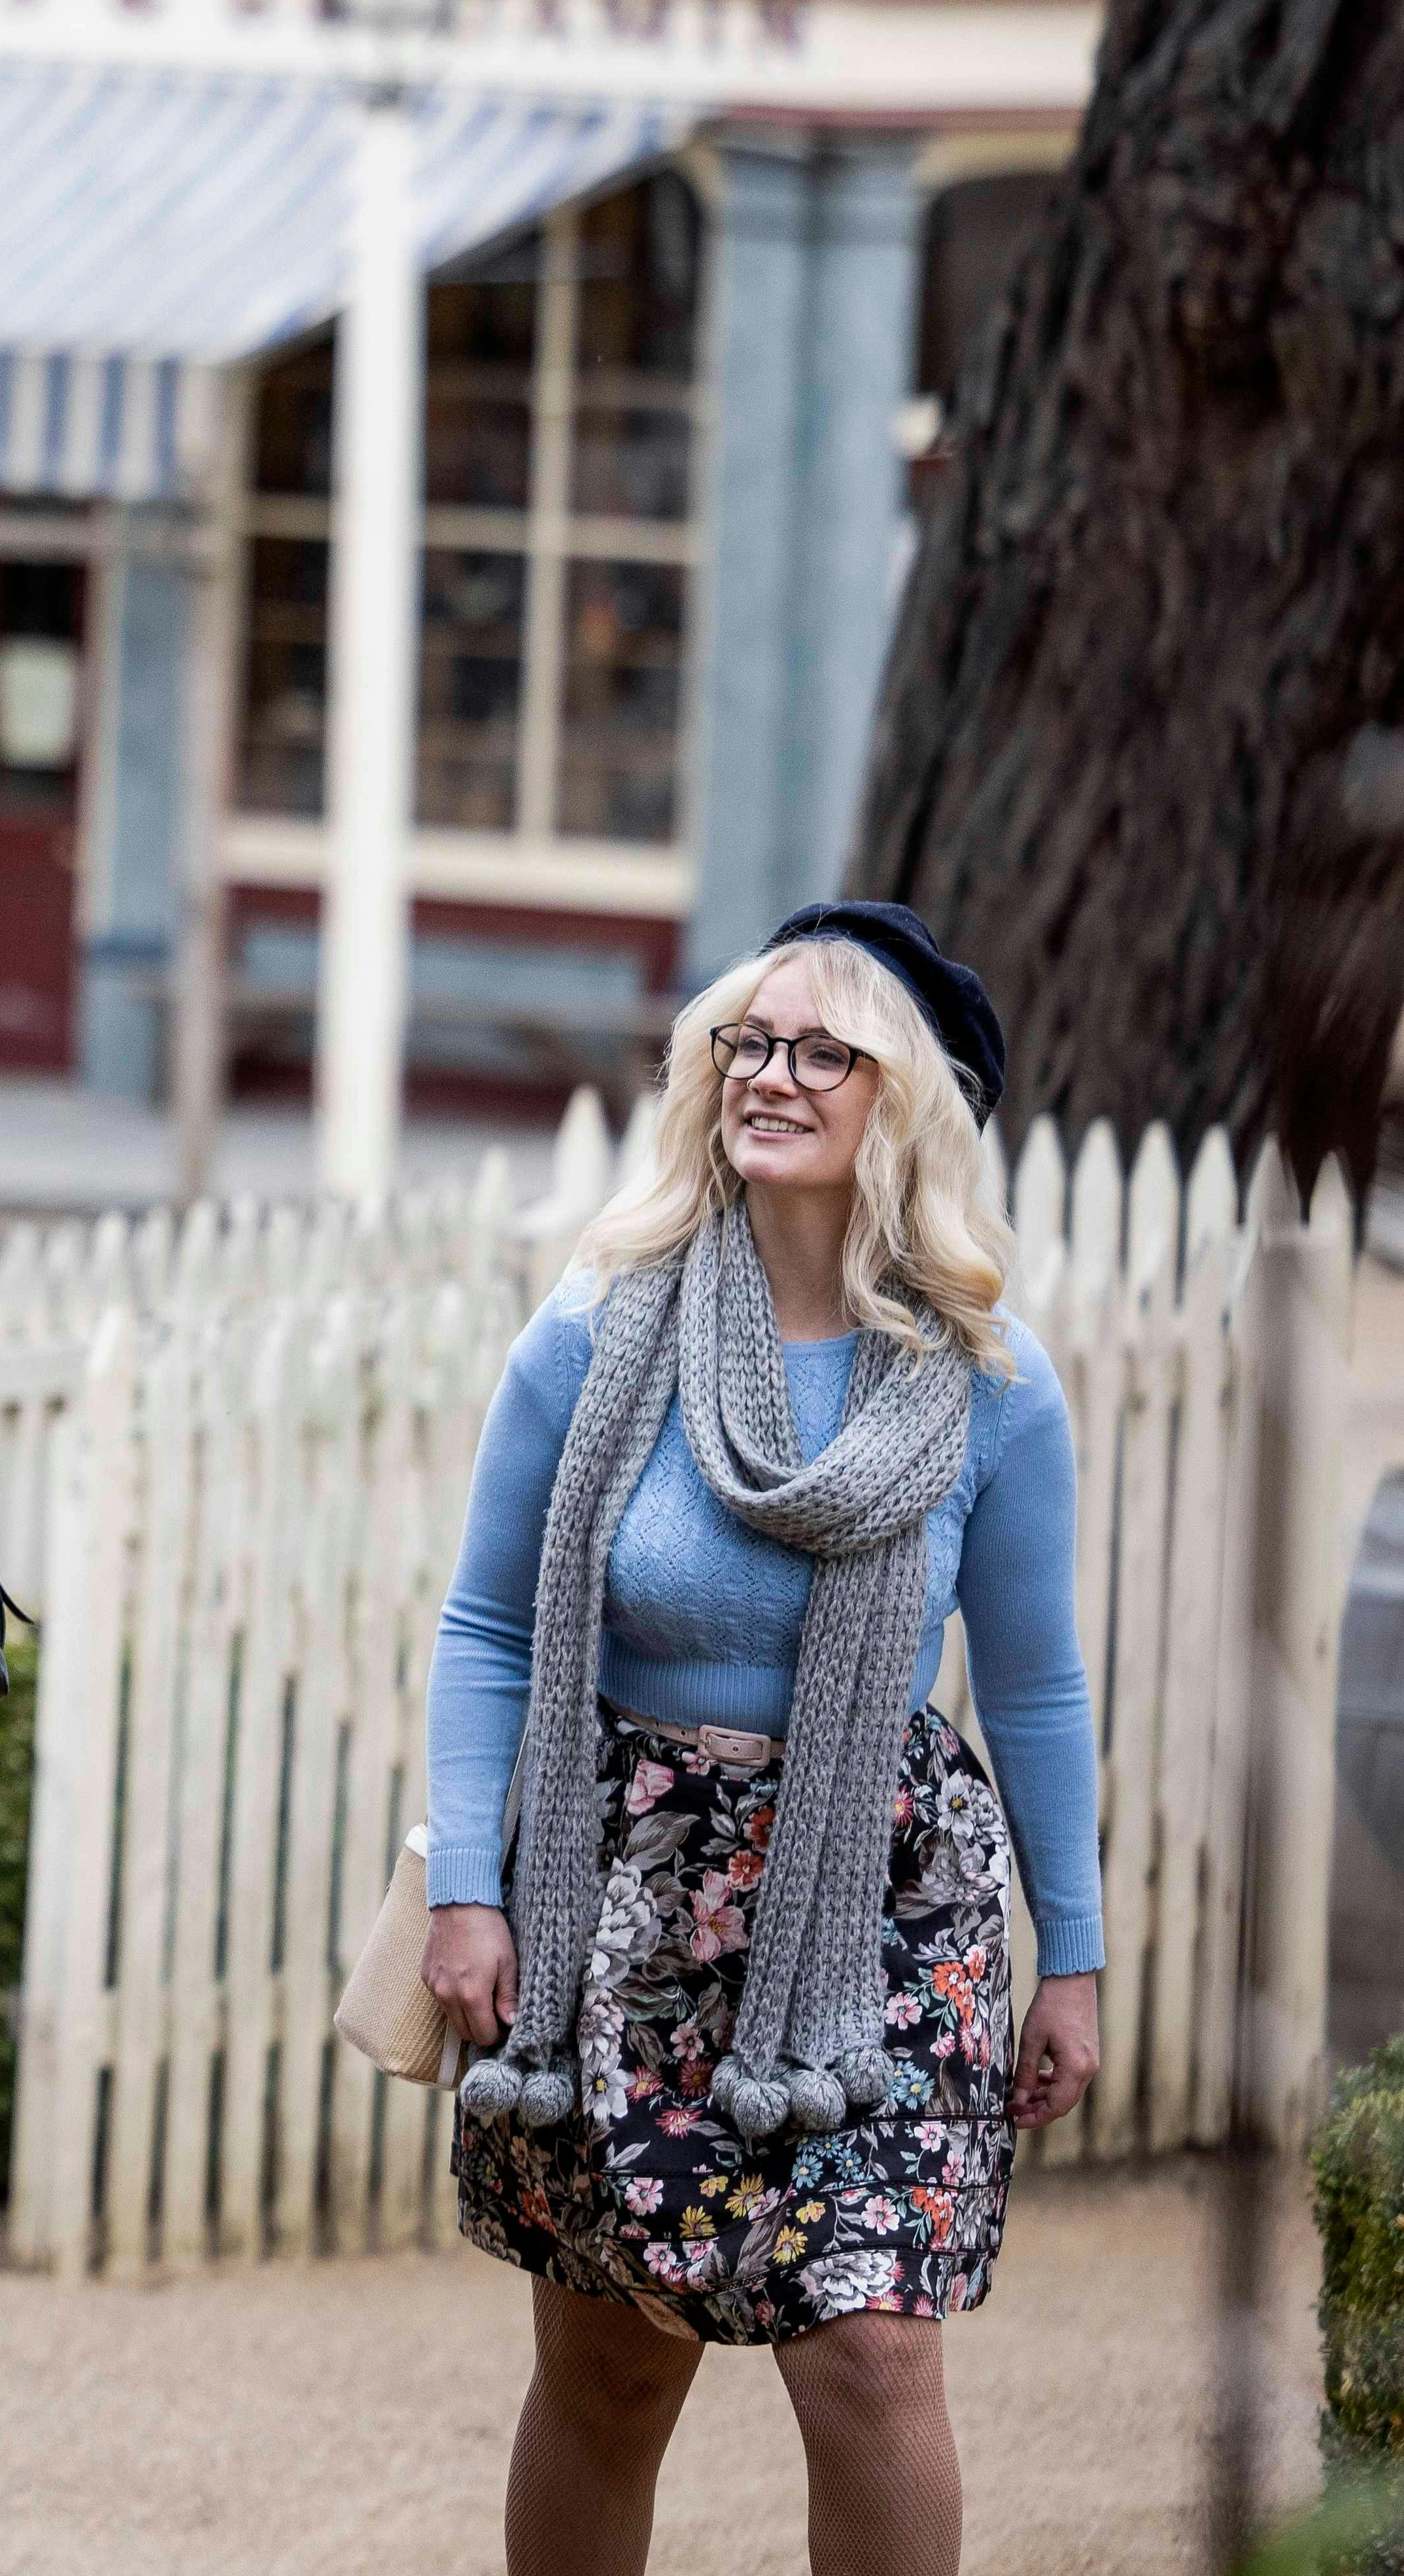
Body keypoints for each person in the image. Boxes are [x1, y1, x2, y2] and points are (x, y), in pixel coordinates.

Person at [423, 901, 1103, 2576]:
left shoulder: (985, 1383)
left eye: (822, 1049)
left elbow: (1032, 1687)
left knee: (870, 2349)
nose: (772, 1075)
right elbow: (488, 1627)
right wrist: (466, 1882)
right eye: (747, 1039)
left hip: (876, 1900)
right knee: (611, 2355)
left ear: (906, 1102)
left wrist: (1072, 1949)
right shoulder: (599, 1333)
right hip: (621, 1897)